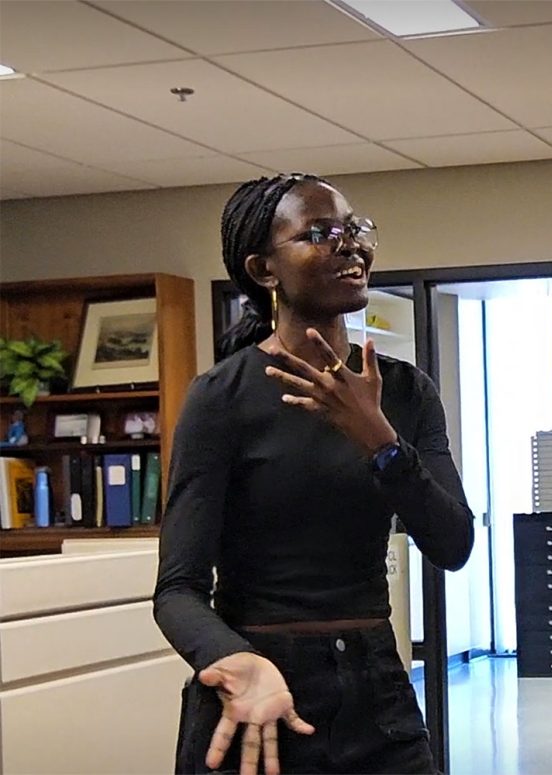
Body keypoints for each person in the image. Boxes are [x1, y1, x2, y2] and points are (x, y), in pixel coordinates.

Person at [153, 173, 475, 775]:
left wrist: (377, 438)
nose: (350, 244)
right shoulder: (221, 397)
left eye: (355, 229)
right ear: (265, 269)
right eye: (321, 233)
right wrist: (232, 658)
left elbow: (453, 544)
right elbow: (177, 590)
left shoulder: (404, 390)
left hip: (377, 688)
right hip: (257, 691)